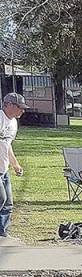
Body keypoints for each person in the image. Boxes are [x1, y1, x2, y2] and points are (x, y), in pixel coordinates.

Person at [0, 93, 27, 237]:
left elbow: (7, 145)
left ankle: (3, 233)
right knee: (1, 198)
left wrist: (15, 164)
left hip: (4, 169)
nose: (22, 111)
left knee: (8, 203)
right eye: (20, 107)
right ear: (9, 105)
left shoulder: (13, 123)